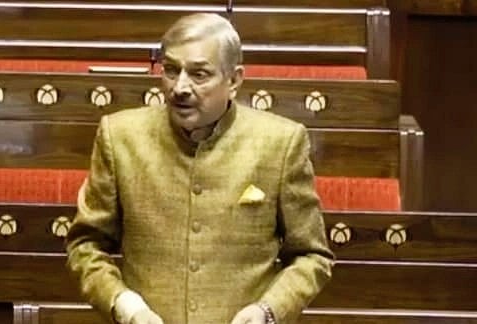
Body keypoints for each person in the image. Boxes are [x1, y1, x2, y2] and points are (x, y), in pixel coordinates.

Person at [66, 13, 334, 324]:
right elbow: (85, 245)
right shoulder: (120, 136)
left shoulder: (280, 143)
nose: (179, 87)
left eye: (199, 74)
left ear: (233, 80)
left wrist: (269, 310)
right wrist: (125, 306)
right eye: (170, 70)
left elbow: (312, 256)